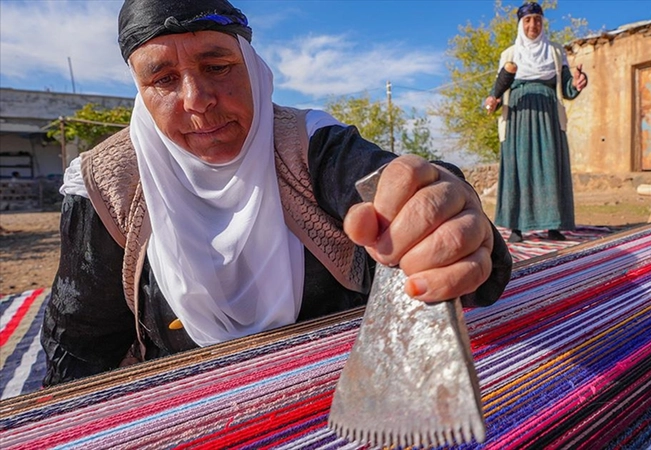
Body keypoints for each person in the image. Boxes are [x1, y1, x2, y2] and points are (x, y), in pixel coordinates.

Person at [41, 0, 512, 386]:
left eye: (218, 65)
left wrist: (439, 213)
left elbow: (394, 187)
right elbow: (80, 348)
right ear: (140, 91)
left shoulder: (308, 143)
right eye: (163, 79)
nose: (197, 99)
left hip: (334, 396)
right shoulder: (105, 185)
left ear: (253, 69)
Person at [484, 1, 588, 243]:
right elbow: (498, 92)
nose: (533, 25)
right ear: (521, 25)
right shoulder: (509, 55)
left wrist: (579, 83)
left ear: (543, 24)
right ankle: (516, 227)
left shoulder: (555, 51)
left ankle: (554, 225)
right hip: (518, 115)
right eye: (528, 20)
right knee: (519, 167)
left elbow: (567, 89)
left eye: (538, 20)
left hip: (549, 115)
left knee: (550, 165)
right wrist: (493, 102)